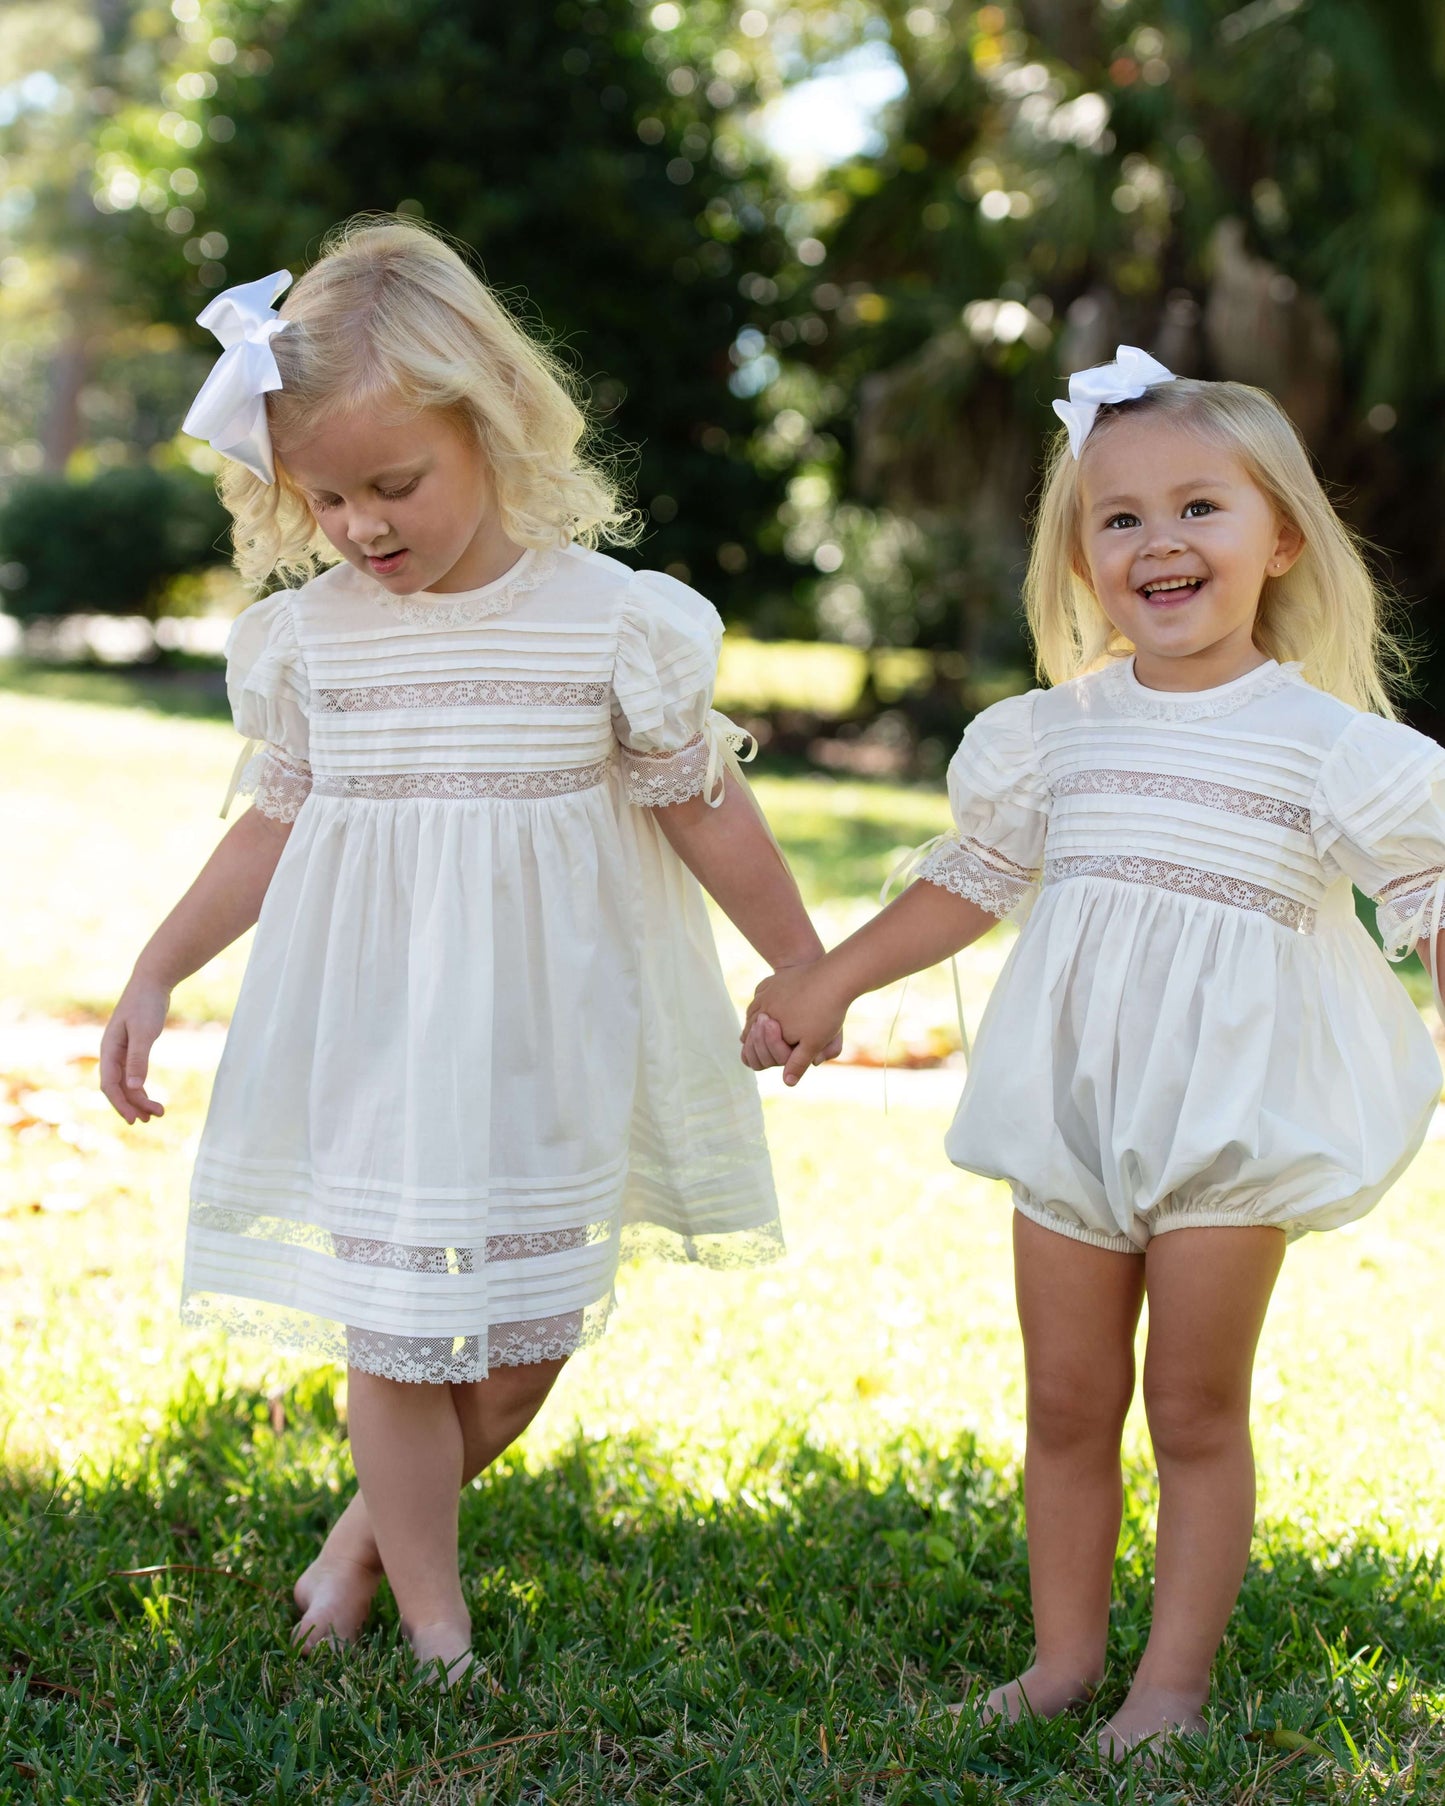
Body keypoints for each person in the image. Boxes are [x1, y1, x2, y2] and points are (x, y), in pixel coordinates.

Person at [100, 215, 831, 1684]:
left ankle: (364, 1534)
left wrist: (800, 962)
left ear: (492, 423)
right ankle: (435, 1618)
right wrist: (158, 965)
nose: (363, 524)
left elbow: (706, 807)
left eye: (395, 483)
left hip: (549, 1033)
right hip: (372, 1027)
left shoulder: (612, 623)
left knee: (513, 1357)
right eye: (324, 496)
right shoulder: (311, 641)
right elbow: (269, 825)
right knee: (394, 1332)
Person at [741, 348, 1445, 1755]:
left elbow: (1431, 900)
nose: (1158, 540)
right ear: (1079, 553)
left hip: (1229, 1118)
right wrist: (828, 979)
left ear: (1279, 537)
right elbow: (968, 881)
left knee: (1191, 1404)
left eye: (1199, 507)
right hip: (1068, 1103)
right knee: (1065, 1399)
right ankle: (1062, 1657)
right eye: (1118, 517)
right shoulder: (1046, 739)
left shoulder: (1329, 749)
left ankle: (1166, 1683)